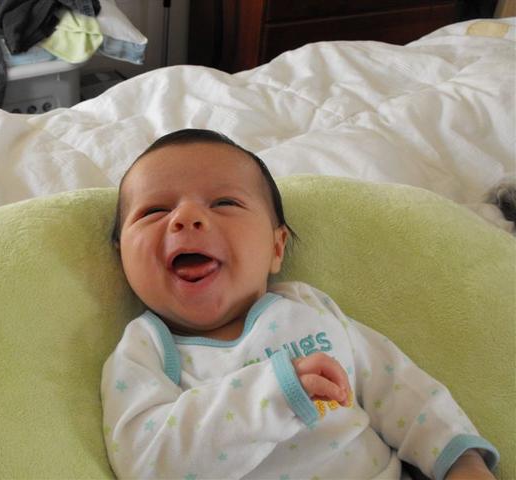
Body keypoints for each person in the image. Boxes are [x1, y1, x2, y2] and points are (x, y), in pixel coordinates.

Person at [101, 129, 499, 480]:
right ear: (122, 258)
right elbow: (145, 461)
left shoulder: (307, 309)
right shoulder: (144, 349)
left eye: (224, 203)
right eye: (155, 211)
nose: (186, 218)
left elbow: (397, 386)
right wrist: (272, 394)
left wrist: (460, 459)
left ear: (276, 248)